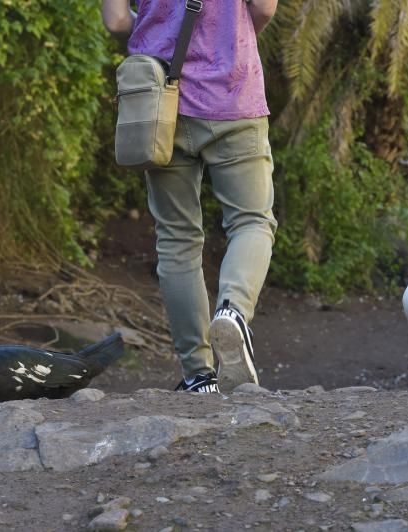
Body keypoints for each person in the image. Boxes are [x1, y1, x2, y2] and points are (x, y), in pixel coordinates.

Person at [101, 0, 279, 393]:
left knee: (177, 238)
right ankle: (232, 312)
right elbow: (264, 10)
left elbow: (116, 19)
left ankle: (199, 376)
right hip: (234, 93)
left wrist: (158, 33)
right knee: (251, 220)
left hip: (159, 100)